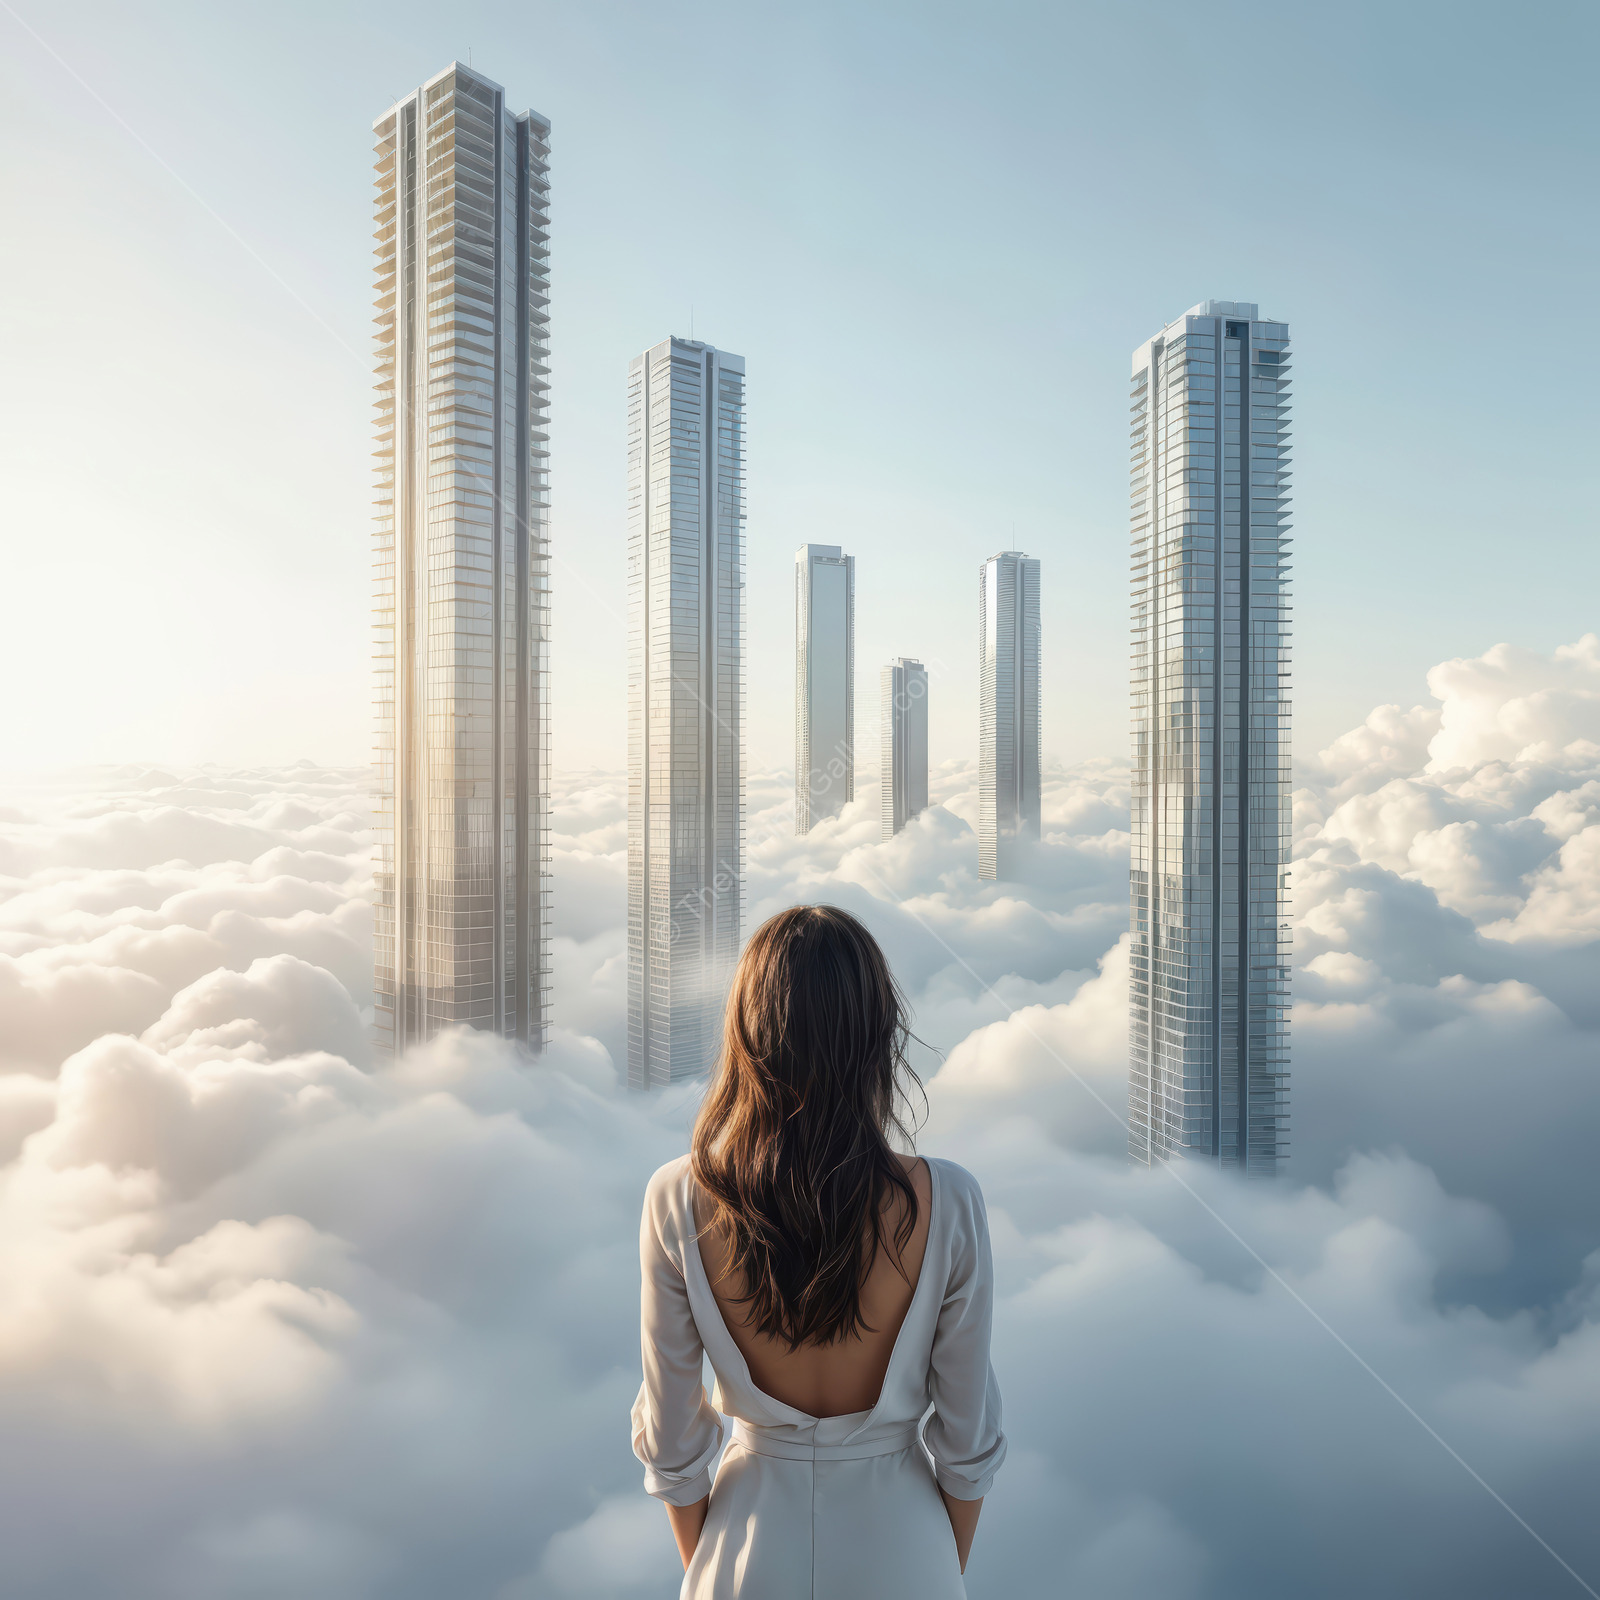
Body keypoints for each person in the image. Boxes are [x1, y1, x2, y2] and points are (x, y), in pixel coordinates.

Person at [632, 904, 1006, 1598]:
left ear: (747, 1034)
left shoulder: (678, 1197)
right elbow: (967, 1444)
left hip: (743, 1551)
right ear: (877, 1037)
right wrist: (929, 1565)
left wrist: (711, 1566)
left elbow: (674, 1448)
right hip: (907, 1552)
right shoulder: (948, 1200)